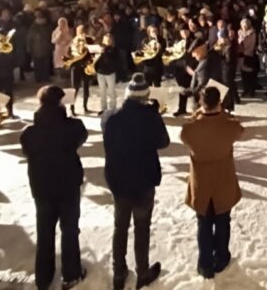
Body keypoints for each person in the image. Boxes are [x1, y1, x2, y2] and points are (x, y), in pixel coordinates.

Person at [102, 73, 170, 290]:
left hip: (118, 180)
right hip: (143, 180)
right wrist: (153, 112)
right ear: (146, 96)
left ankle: (118, 273)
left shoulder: (109, 117)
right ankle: (143, 272)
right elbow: (163, 142)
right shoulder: (150, 117)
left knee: (119, 227)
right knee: (142, 227)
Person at [20, 86, 88, 290]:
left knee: (44, 231)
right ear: (60, 103)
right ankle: (71, 274)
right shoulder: (73, 127)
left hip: (42, 188)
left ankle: (43, 277)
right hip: (68, 186)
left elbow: (26, 150)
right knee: (69, 230)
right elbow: (81, 138)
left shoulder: (29, 132)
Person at [180, 87, 244, 279]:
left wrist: (199, 113)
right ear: (220, 102)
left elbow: (186, 130)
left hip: (202, 184)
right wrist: (222, 113)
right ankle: (222, 257)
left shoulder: (190, 129)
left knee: (204, 224)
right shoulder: (229, 126)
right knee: (223, 222)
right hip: (223, 183)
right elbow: (240, 129)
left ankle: (205, 264)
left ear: (200, 103)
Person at [63, 36, 92, 116]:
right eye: (79, 41)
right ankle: (72, 108)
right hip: (75, 70)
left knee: (86, 88)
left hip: (85, 69)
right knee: (75, 89)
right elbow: (67, 61)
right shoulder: (71, 50)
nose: (81, 43)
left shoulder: (87, 50)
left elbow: (90, 59)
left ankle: (85, 107)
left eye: (82, 41)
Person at [27, 10, 54, 83]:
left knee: (46, 65)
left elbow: (50, 38)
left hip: (45, 49)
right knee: (37, 65)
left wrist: (51, 47)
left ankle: (45, 77)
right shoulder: (33, 28)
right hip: (36, 49)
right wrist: (29, 49)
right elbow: (29, 39)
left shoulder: (47, 28)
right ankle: (38, 78)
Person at [238, 19, 258, 97]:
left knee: (251, 74)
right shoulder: (239, 33)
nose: (245, 26)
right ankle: (245, 89)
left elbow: (252, 45)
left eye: (246, 25)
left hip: (250, 55)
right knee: (244, 74)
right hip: (241, 56)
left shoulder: (253, 33)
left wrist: (246, 52)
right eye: (243, 25)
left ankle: (251, 90)